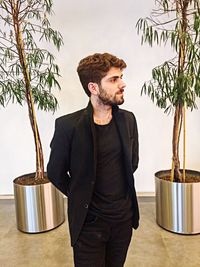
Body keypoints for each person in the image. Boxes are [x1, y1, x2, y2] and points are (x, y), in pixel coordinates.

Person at [47, 52, 139, 267]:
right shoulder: (68, 126)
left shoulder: (128, 120)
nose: (122, 84)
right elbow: (55, 172)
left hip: (123, 220)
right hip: (89, 223)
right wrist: (81, 194)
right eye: (114, 79)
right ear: (93, 87)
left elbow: (132, 162)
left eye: (121, 77)